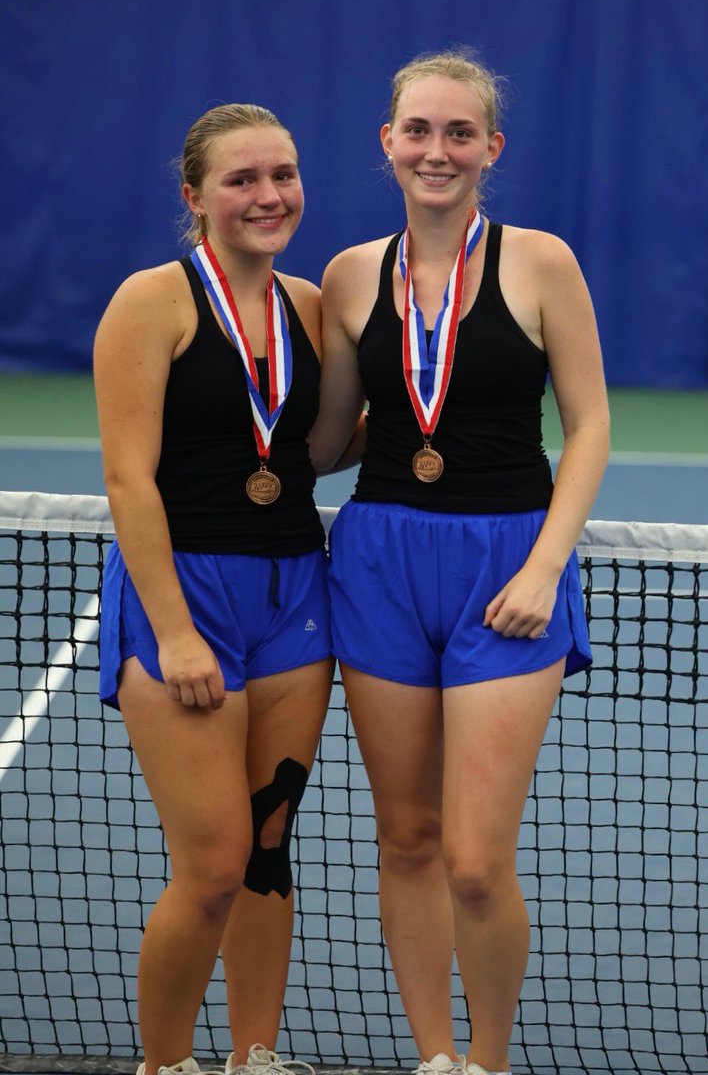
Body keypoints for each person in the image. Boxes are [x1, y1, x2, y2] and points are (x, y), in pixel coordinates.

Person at [309, 51, 610, 1075]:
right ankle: (434, 1060)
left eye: (458, 133)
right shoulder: (349, 275)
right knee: (406, 838)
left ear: (490, 148)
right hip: (378, 564)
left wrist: (544, 568)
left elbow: (590, 428)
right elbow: (330, 437)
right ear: (386, 143)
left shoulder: (542, 263)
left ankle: (487, 1062)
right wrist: (212, 454)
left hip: (508, 568)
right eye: (418, 130)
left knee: (476, 861)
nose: (436, 150)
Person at [94, 104, 333, 1075]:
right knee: (211, 865)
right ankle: (164, 1065)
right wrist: (175, 630)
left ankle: (254, 1057)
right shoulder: (150, 301)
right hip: (183, 599)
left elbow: (316, 445)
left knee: (267, 845)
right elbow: (127, 479)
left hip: (295, 600)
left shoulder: (311, 305)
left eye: (282, 174)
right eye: (241, 180)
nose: (268, 196)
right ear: (195, 196)